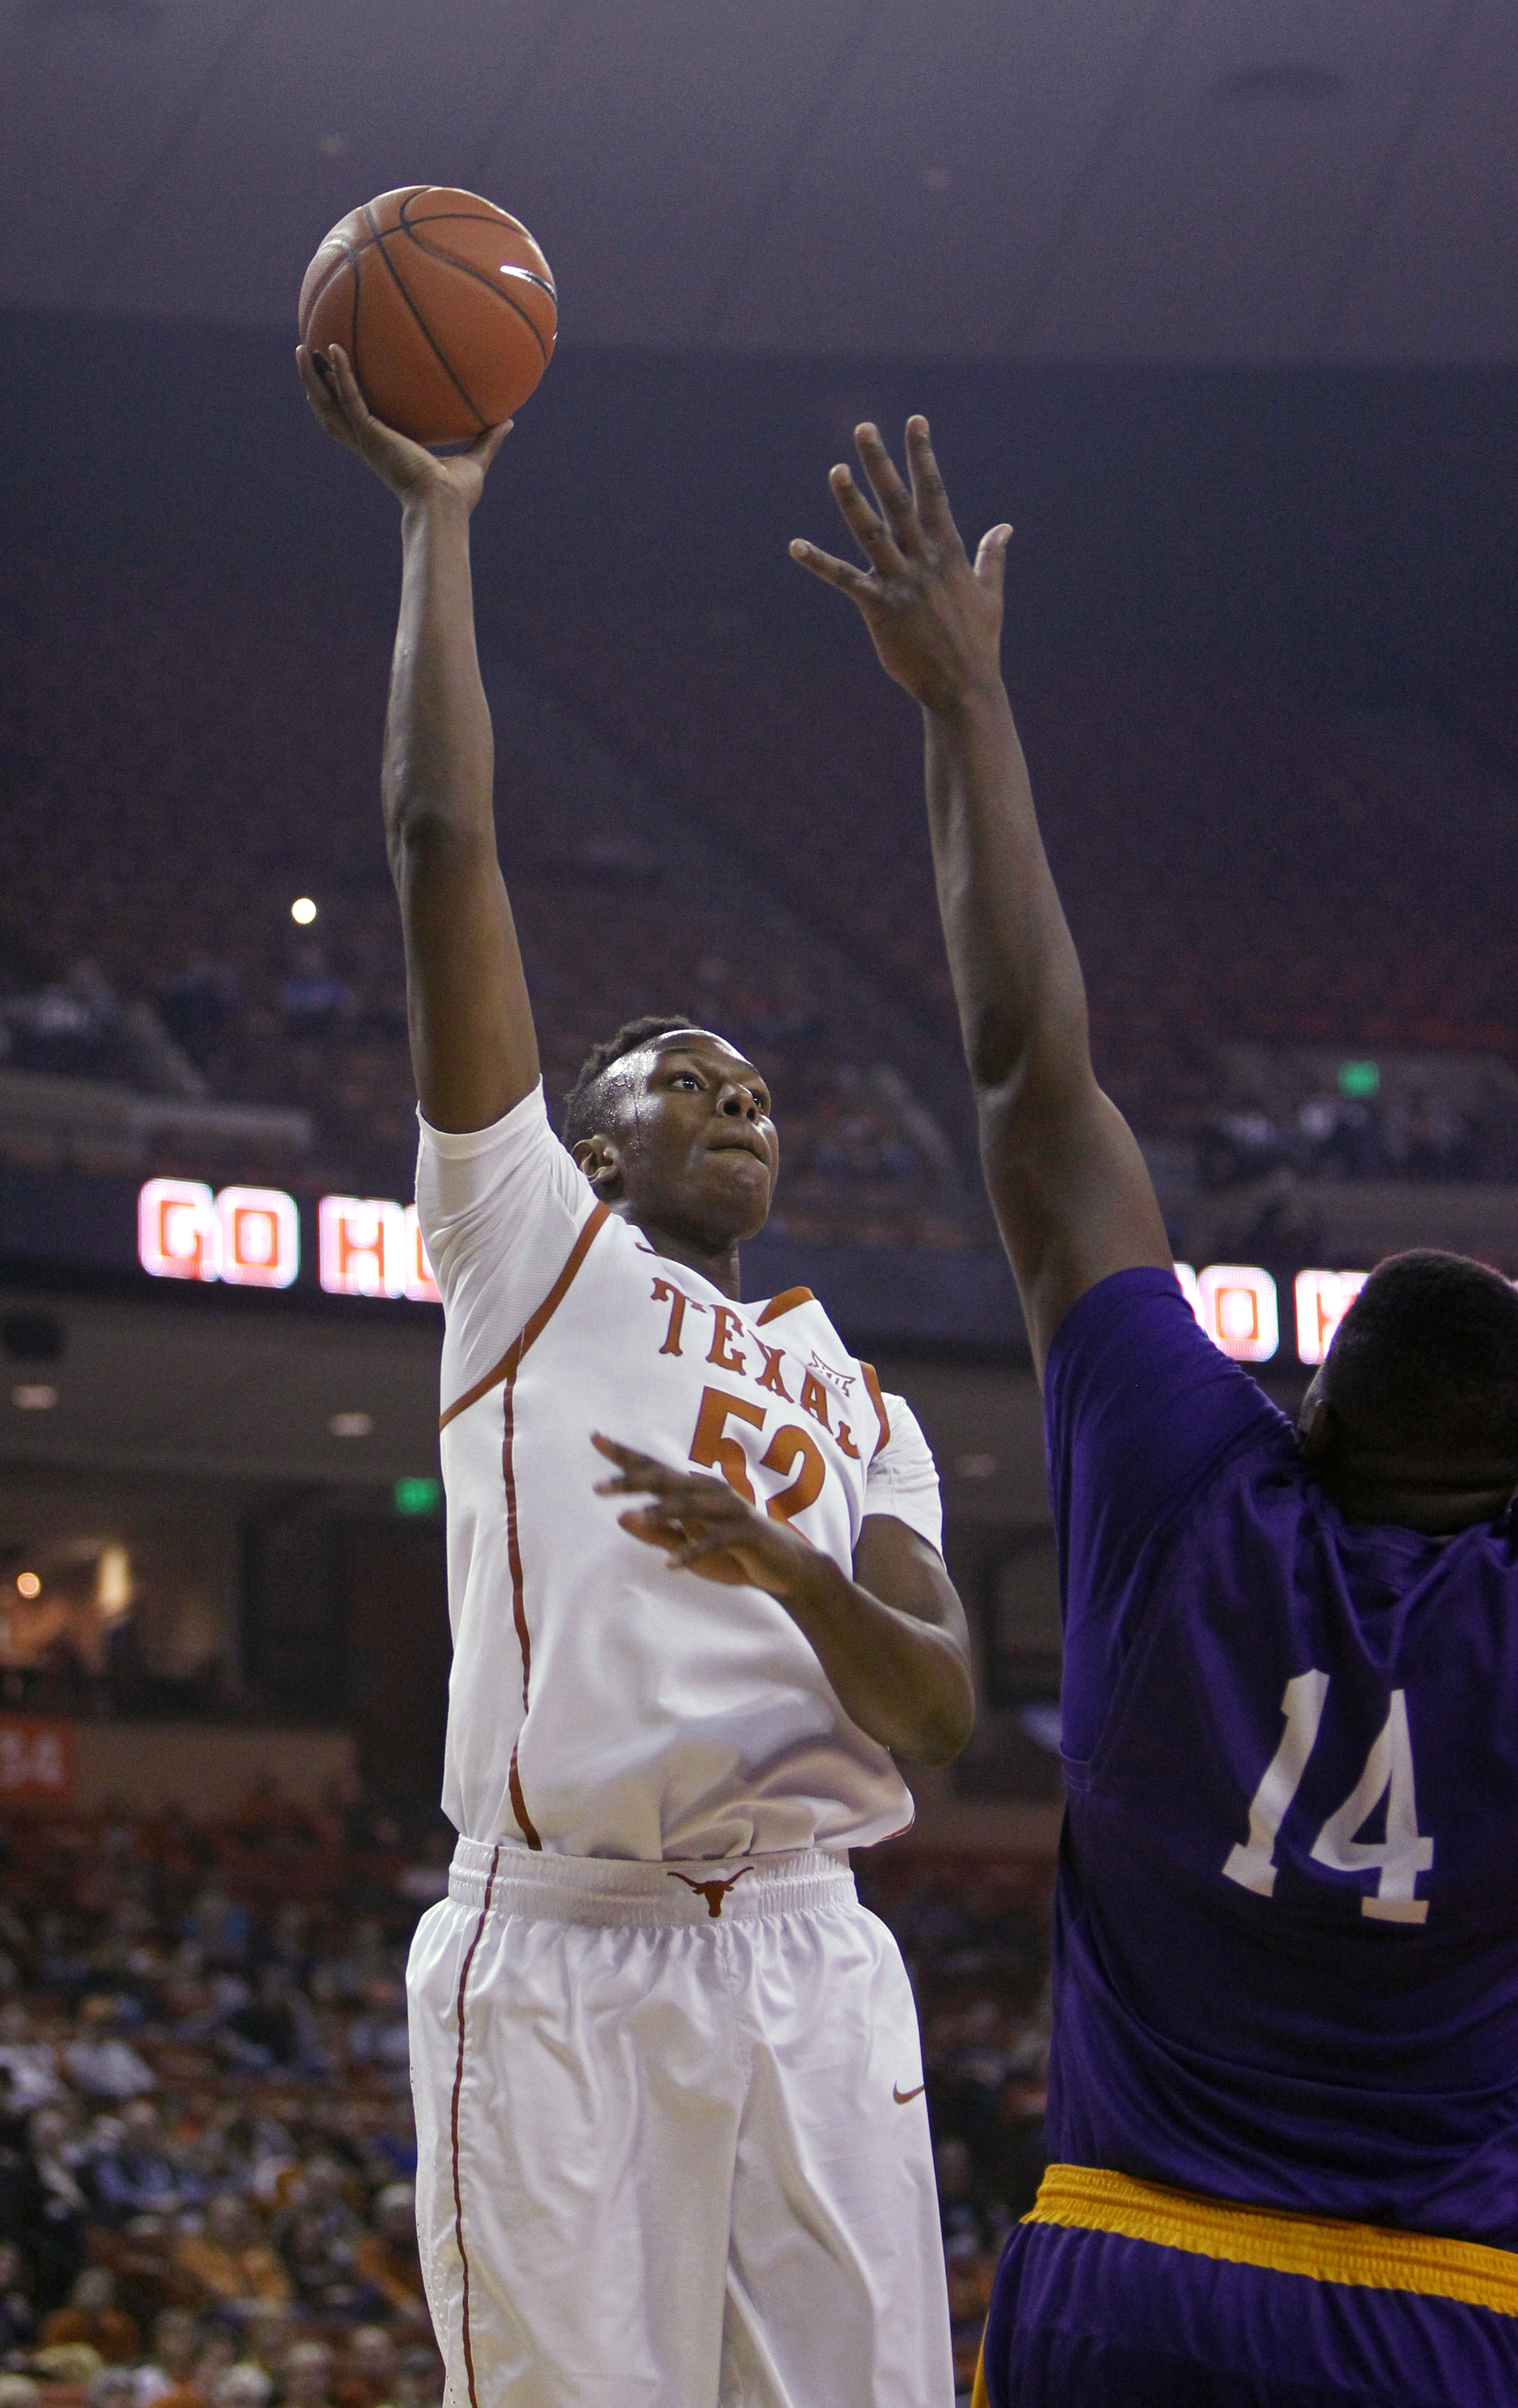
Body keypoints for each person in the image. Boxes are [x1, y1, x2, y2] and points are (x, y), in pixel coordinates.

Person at [795, 416, 1518, 2403]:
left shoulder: (1186, 1476)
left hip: (1136, 2267)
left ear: (1295, 1408)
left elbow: (1035, 1076)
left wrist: (967, 706)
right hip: (1452, 2304)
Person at [296, 341, 976, 2408]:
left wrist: (795, 1566)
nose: (735, 1086)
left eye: (755, 1076)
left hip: (808, 1936)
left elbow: (945, 1709)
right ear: (592, 1145)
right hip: (563, 1940)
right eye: (684, 1073)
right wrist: (439, 521)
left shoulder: (865, 1401)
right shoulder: (530, 1247)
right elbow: (440, 836)